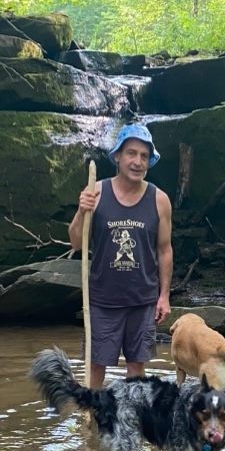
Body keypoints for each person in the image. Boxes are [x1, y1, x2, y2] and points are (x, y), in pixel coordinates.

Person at [68, 122, 172, 389]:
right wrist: (81, 211)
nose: (137, 162)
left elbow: (164, 250)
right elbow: (77, 244)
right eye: (131, 153)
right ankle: (90, 422)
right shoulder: (97, 192)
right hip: (102, 299)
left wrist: (164, 296)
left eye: (144, 156)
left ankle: (132, 419)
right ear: (117, 156)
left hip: (142, 299)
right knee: (96, 365)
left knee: (137, 367)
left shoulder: (159, 200)